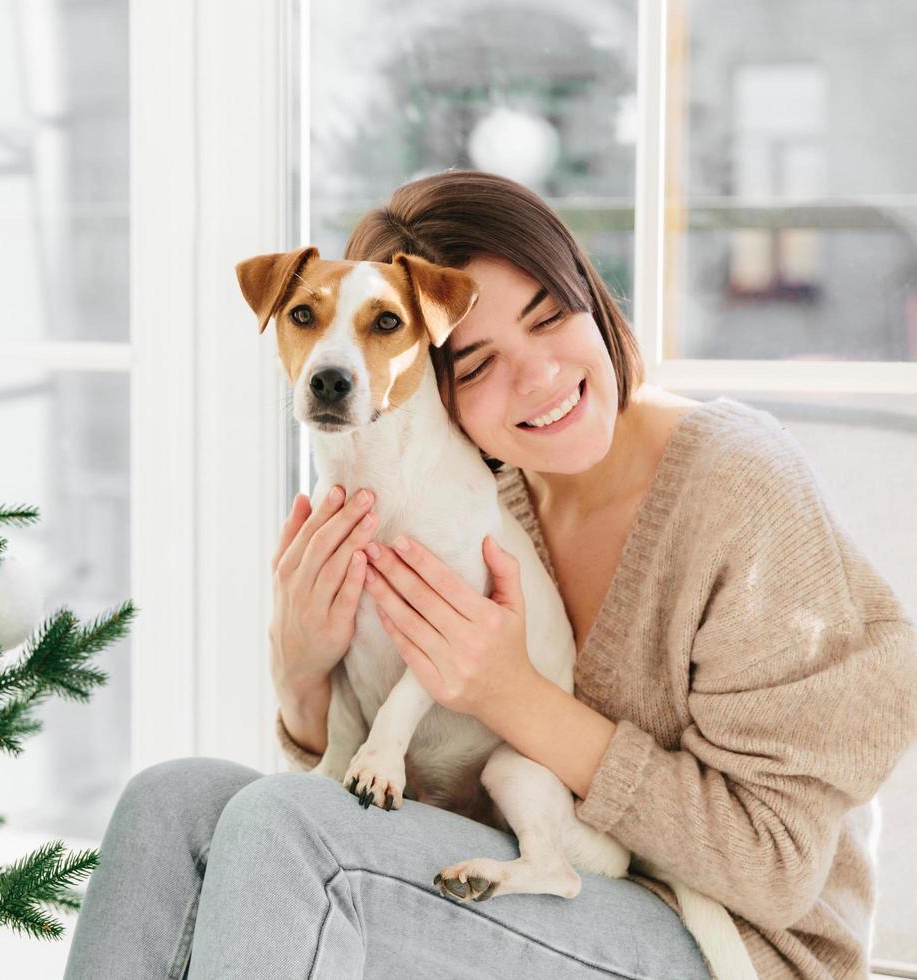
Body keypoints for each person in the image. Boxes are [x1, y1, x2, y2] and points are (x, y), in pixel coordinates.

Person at [62, 170, 917, 979]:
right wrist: (300, 677)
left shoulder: (740, 489)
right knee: (171, 804)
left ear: (590, 290)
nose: (537, 376)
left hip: (727, 942)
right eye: (474, 364)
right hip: (497, 862)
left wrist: (512, 696)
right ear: (420, 382)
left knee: (293, 834)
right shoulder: (475, 484)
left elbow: (775, 870)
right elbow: (375, 781)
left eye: (550, 318)